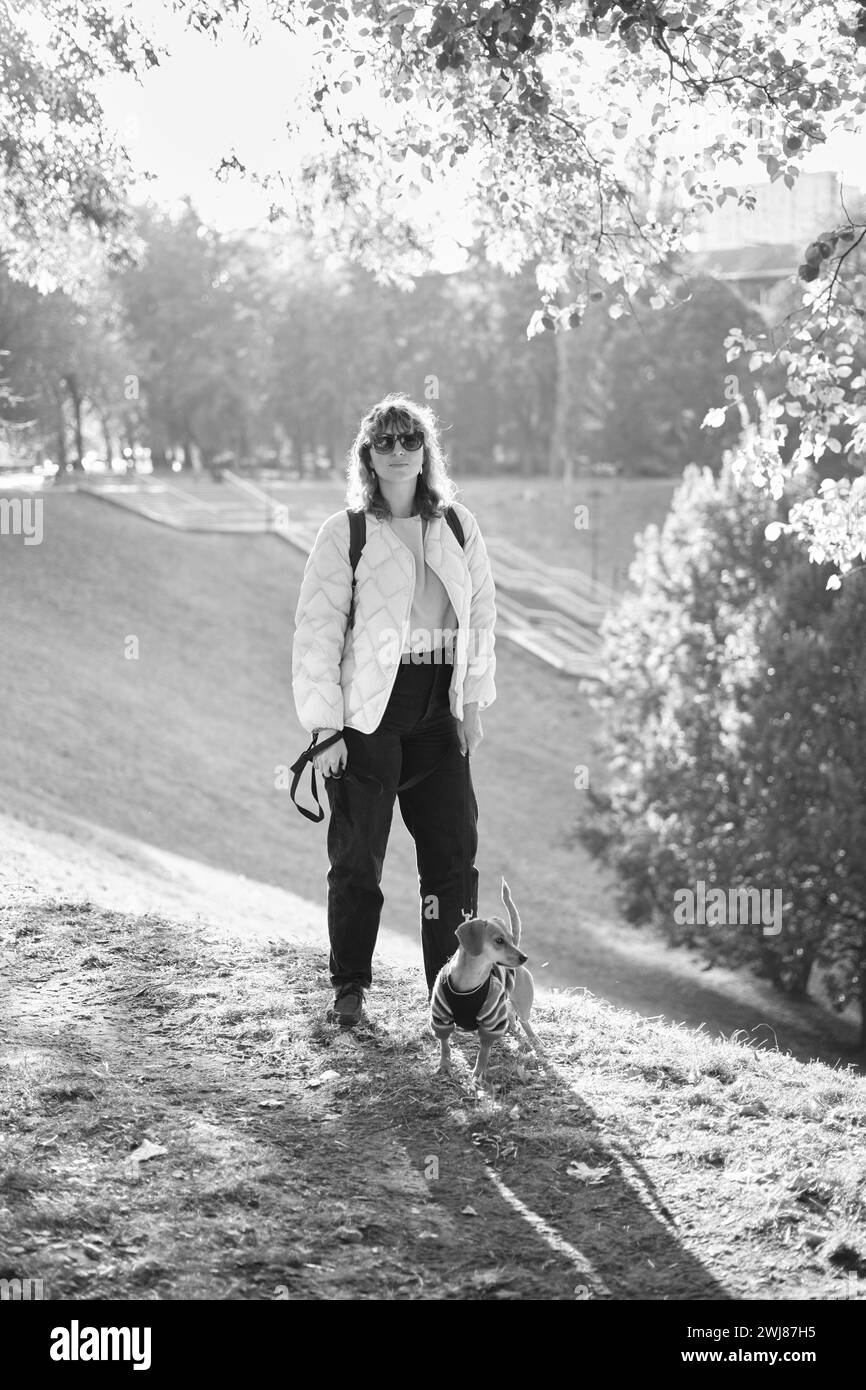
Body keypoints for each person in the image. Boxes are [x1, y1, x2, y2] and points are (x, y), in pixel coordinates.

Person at [292, 393, 497, 1026]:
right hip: (368, 714)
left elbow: (483, 616)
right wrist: (327, 730)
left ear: (426, 451)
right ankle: (350, 986)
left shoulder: (458, 525)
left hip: (439, 711)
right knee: (358, 857)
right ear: (368, 455)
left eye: (411, 439)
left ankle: (457, 993)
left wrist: (471, 703)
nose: (400, 450)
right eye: (386, 441)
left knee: (452, 857)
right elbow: (317, 632)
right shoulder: (345, 532)